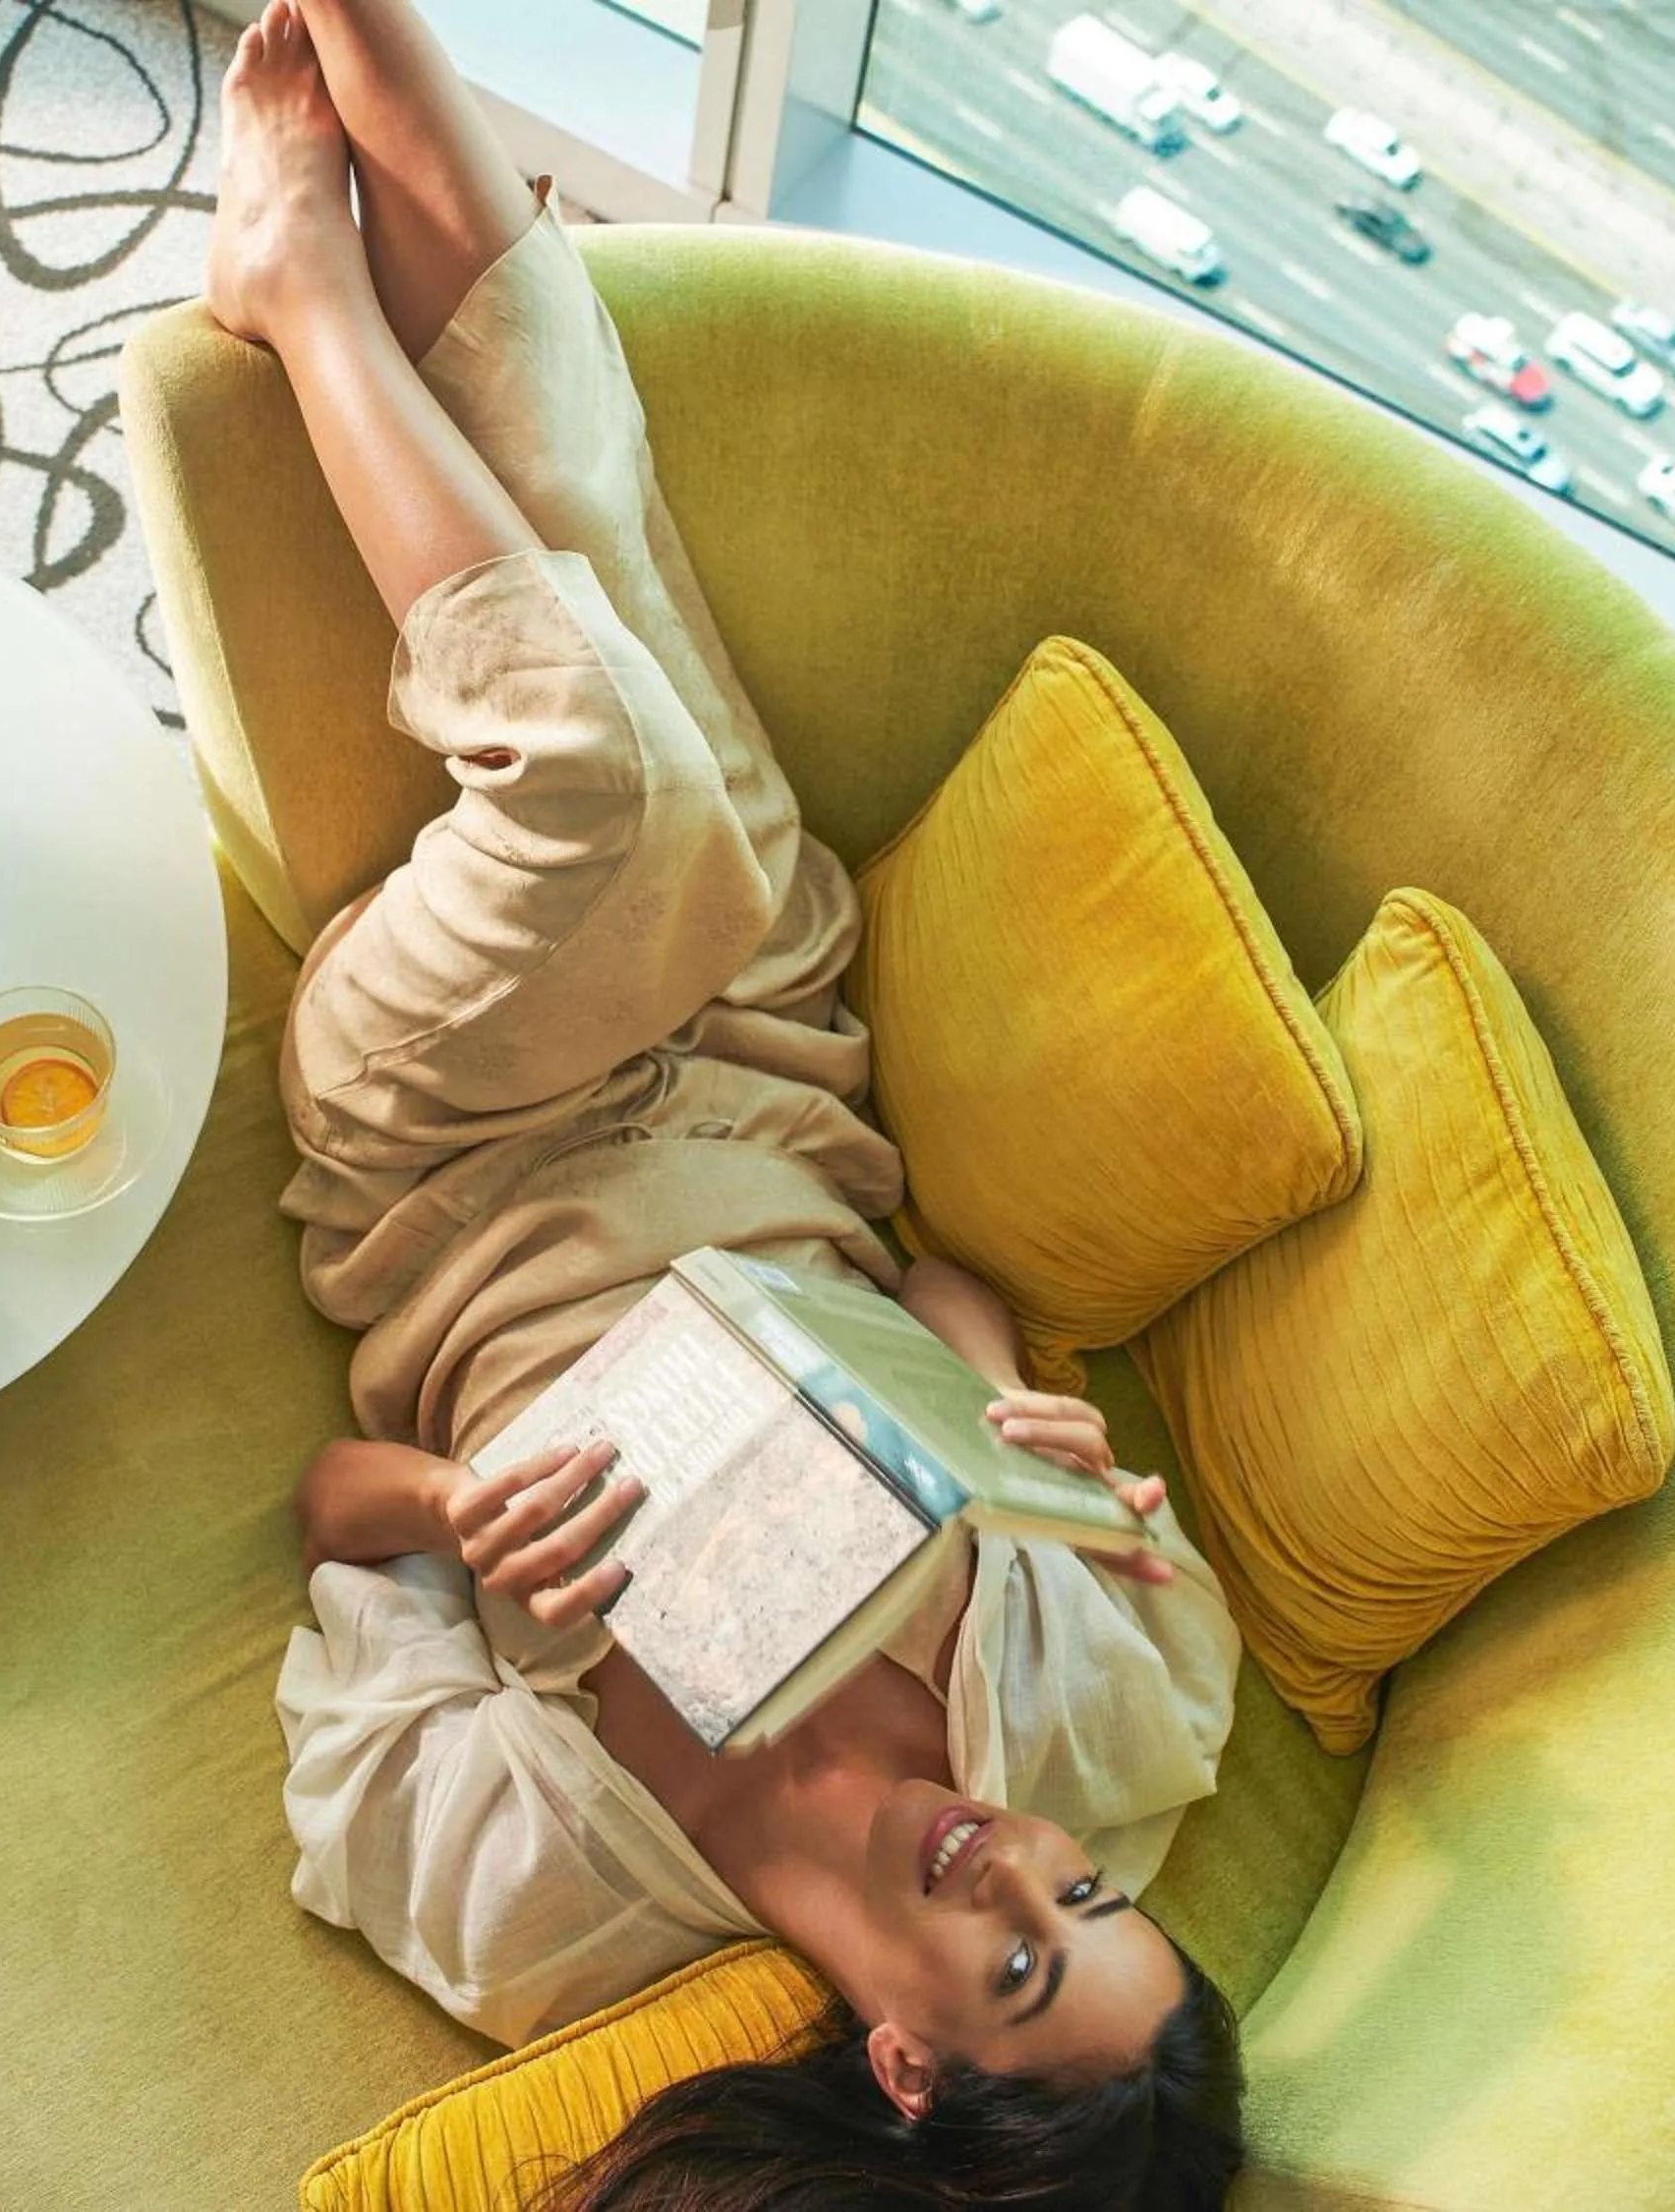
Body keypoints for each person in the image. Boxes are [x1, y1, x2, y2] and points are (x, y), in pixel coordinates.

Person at [205, 2, 1248, 2198]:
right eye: (1092, 1894)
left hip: (457, 1158)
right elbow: (939, 1293)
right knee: (589, 516)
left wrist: (454, 1509)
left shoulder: (550, 1899)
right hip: (769, 1046)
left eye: (1022, 1961)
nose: (1026, 1859)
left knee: (598, 780)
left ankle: (298, 292)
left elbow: (326, 1501)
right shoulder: (1126, 1712)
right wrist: (1014, 1405)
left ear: (910, 2071)